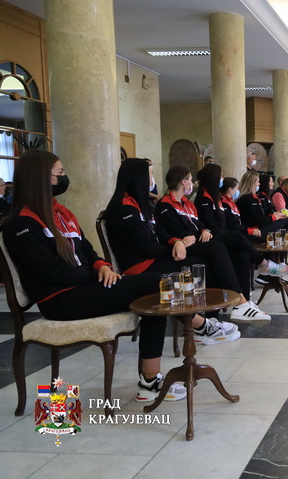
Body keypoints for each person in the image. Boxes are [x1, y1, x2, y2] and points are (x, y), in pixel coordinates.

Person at [3, 150, 185, 403]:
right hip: (61, 300)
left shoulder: (61, 213)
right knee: (155, 285)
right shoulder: (21, 224)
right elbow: (52, 272)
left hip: (84, 287)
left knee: (154, 289)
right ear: (41, 178)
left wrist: (102, 266)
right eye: (60, 173)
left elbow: (86, 249)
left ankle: (151, 378)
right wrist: (95, 276)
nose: (65, 177)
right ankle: (154, 376)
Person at [105, 158, 241, 345]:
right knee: (201, 266)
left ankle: (207, 322)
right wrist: (176, 245)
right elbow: (146, 248)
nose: (152, 180)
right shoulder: (123, 208)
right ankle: (202, 326)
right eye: (150, 175)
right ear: (139, 178)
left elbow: (158, 231)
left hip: (153, 258)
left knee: (207, 262)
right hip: (141, 266)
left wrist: (175, 240)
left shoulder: (140, 203)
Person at [156, 166, 271, 324]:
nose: (192, 183)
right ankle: (261, 266)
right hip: (185, 246)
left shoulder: (187, 204)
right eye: (190, 180)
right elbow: (175, 229)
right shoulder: (165, 205)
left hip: (200, 240)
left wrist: (204, 230)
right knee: (226, 243)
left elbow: (198, 223)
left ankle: (243, 305)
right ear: (183, 182)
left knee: (241, 254)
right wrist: (191, 236)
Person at [194, 163, 288, 278]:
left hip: (226, 232)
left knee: (245, 252)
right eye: (221, 176)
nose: (222, 179)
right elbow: (210, 223)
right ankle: (264, 264)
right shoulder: (205, 199)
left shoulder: (216, 198)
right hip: (216, 235)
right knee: (240, 237)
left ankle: (263, 274)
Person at [236, 170, 288, 267]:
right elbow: (260, 220)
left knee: (284, 228)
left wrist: (274, 215)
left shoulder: (252, 197)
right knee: (285, 221)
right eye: (257, 182)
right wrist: (274, 217)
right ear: (252, 183)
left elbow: (262, 216)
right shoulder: (248, 199)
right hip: (256, 231)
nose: (259, 184)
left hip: (259, 227)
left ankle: (277, 262)